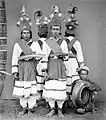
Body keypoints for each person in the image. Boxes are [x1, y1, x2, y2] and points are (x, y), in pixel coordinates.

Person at [12, 6, 42, 116]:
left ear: (30, 34)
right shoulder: (17, 45)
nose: (26, 35)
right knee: (22, 88)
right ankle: (24, 107)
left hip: (31, 68)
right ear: (21, 34)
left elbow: (39, 56)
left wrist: (33, 56)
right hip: (21, 68)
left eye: (27, 33)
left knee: (31, 88)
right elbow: (15, 58)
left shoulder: (35, 44)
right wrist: (15, 70)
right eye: (24, 33)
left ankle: (30, 107)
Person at [42, 12, 68, 118]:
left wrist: (62, 56)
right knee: (51, 87)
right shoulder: (47, 42)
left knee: (60, 87)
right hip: (51, 65)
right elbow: (44, 57)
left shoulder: (64, 42)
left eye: (57, 29)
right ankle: (52, 109)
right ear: (50, 30)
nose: (55, 31)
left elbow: (66, 56)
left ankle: (60, 109)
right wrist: (45, 70)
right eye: (53, 29)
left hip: (60, 66)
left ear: (60, 30)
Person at [64, 7, 84, 101]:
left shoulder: (62, 42)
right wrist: (81, 65)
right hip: (73, 62)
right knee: (73, 81)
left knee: (65, 80)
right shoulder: (77, 42)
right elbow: (79, 56)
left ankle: (66, 99)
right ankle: (72, 99)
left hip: (65, 62)